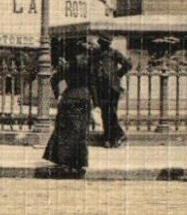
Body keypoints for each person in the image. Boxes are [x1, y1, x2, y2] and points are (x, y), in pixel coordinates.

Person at [44, 39, 94, 177]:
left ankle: (65, 162)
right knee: (80, 132)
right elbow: (95, 84)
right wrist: (95, 102)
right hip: (83, 98)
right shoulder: (90, 66)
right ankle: (78, 164)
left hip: (69, 98)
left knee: (65, 131)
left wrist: (58, 95)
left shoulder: (68, 66)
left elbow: (54, 80)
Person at [91, 34, 132, 148]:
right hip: (100, 87)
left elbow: (128, 64)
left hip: (112, 88)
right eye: (102, 42)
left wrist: (117, 75)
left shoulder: (113, 53)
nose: (103, 44)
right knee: (105, 113)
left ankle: (115, 136)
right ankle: (109, 136)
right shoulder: (96, 54)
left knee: (111, 113)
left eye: (105, 43)